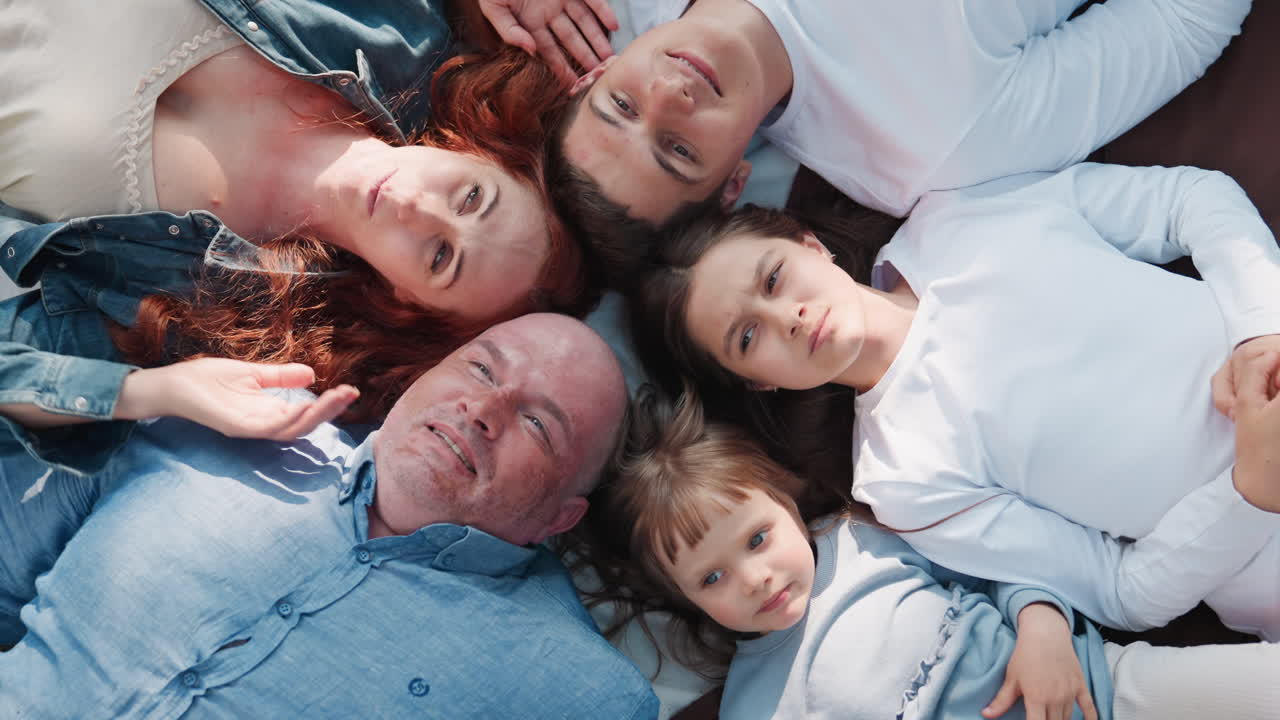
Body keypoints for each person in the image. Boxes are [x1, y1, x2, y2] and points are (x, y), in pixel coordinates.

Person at [630, 163, 1280, 640]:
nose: (788, 318)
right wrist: (1250, 488)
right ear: (757, 382)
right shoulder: (903, 479)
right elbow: (1121, 592)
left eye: (772, 278)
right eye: (748, 337)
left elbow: (1189, 199)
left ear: (809, 245)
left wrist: (1259, 330)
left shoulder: (960, 221)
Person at [0, 2, 587, 468]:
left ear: (407, 302)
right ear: (483, 151)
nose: (416, 207)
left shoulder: (202, 308)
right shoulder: (398, 27)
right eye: (471, 197)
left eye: (440, 257)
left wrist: (151, 394)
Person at [0, 313, 660, 719]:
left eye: (540, 424)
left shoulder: (573, 693)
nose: (484, 411)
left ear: (560, 517)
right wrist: (144, 392)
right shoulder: (210, 426)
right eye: (481, 369)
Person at [540, 0, 1252, 283]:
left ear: (592, 74)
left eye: (621, 104)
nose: (670, 97)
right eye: (678, 150)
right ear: (733, 182)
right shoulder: (926, 148)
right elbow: (1181, 22)